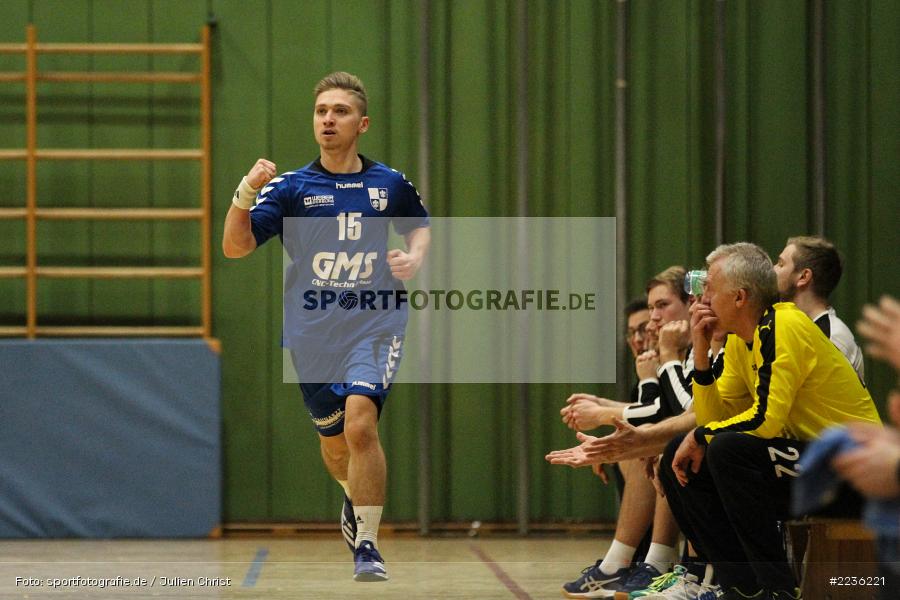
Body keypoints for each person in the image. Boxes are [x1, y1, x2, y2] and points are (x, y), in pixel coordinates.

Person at [222, 72, 430, 582]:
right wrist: (245, 191)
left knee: (361, 424)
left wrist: (415, 258)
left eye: (338, 111)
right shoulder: (291, 187)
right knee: (336, 443)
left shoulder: (390, 182)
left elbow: (420, 224)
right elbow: (235, 246)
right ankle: (349, 494)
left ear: (362, 123)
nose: (328, 119)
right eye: (321, 111)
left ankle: (367, 545)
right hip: (312, 332)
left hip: (377, 321)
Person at [659, 242, 880, 599]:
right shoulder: (737, 342)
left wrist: (703, 434)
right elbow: (716, 421)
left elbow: (766, 421)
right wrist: (701, 353)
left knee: (730, 450)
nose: (701, 299)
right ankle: (741, 587)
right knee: (677, 460)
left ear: (740, 298)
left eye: (710, 289)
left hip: (859, 472)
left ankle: (777, 590)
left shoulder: (785, 323)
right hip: (811, 466)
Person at [559, 270, 702, 598]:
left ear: (690, 302)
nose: (652, 323)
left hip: (732, 445)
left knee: (653, 446)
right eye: (635, 329)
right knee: (643, 445)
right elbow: (665, 412)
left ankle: (647, 563)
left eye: (662, 306)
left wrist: (602, 416)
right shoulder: (674, 350)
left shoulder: (690, 347)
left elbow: (678, 413)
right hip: (705, 437)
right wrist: (607, 421)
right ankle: (632, 562)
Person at [773, 235, 864, 380]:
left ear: (803, 277)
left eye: (780, 264)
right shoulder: (790, 326)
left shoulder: (832, 337)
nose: (773, 269)